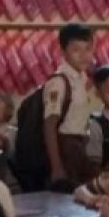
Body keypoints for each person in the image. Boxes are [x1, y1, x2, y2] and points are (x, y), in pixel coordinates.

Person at [42, 23, 97, 188]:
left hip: (79, 147)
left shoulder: (82, 78)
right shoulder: (59, 81)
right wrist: (56, 166)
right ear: (63, 52)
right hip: (64, 148)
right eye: (76, 50)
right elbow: (49, 125)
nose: (83, 55)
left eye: (88, 49)